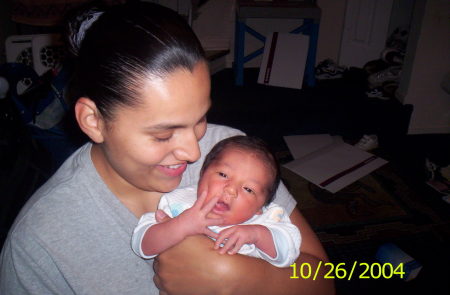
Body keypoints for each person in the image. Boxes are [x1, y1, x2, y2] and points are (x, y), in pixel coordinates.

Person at [0, 2, 334, 294]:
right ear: (93, 120)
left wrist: (241, 278)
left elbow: (323, 279)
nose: (194, 151)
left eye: (200, 118)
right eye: (163, 135)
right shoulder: (39, 246)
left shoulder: (230, 154)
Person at [132, 135, 301, 267]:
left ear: (260, 207)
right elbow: (142, 244)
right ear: (202, 173)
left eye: (248, 189)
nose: (230, 190)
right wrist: (181, 225)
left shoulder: (266, 220)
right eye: (223, 175)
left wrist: (258, 235)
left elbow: (288, 252)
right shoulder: (179, 203)